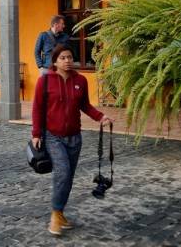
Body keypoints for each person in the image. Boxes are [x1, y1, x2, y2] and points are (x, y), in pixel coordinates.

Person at [31, 44, 113, 236]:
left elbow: (85, 104)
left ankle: (60, 214)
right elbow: (37, 109)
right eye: (63, 58)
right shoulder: (44, 82)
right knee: (63, 172)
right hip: (53, 136)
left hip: (75, 137)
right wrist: (36, 134)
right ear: (55, 61)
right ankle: (55, 213)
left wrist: (101, 117)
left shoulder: (81, 80)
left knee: (68, 177)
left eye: (69, 57)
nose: (67, 61)